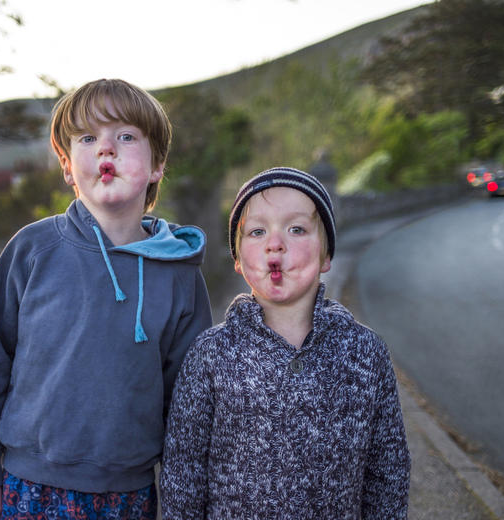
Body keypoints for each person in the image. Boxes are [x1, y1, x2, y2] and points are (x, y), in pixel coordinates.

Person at [0, 79, 213, 520]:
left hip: (129, 493)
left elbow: (188, 399)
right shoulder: (32, 250)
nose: (106, 148)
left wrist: (184, 494)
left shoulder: (179, 272)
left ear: (157, 166)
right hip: (28, 484)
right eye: (88, 138)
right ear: (67, 166)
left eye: (126, 136)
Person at [160, 167, 411, 519]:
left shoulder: (365, 354)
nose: (275, 243)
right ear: (237, 259)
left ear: (326, 256)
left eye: (296, 229)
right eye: (257, 231)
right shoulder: (210, 355)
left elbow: (388, 472)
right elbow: (183, 472)